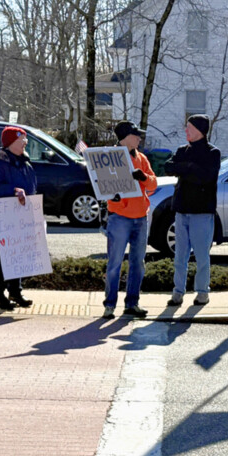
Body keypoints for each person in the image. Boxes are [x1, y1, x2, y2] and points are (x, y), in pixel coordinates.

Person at [164, 114, 221, 308]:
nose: (186, 130)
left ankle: (202, 292)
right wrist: (188, 168)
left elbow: (205, 177)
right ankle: (177, 292)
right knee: (180, 255)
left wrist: (186, 169)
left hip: (202, 213)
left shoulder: (213, 153)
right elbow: (168, 167)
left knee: (202, 255)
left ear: (199, 130)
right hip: (181, 210)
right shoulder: (182, 150)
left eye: (189, 127)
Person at [103, 120, 158, 319]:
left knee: (138, 262)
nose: (139, 138)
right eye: (136, 135)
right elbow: (101, 185)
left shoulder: (141, 158)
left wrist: (143, 177)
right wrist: (111, 196)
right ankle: (109, 305)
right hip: (119, 217)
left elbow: (153, 184)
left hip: (140, 218)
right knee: (115, 262)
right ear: (125, 137)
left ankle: (132, 304)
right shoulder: (109, 158)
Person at [0, 125, 38, 311]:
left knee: (18, 255)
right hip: (0, 219)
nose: (25, 143)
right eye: (22, 139)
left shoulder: (25, 164)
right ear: (11, 142)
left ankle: (15, 292)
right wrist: (13, 191)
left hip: (19, 218)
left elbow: (31, 189)